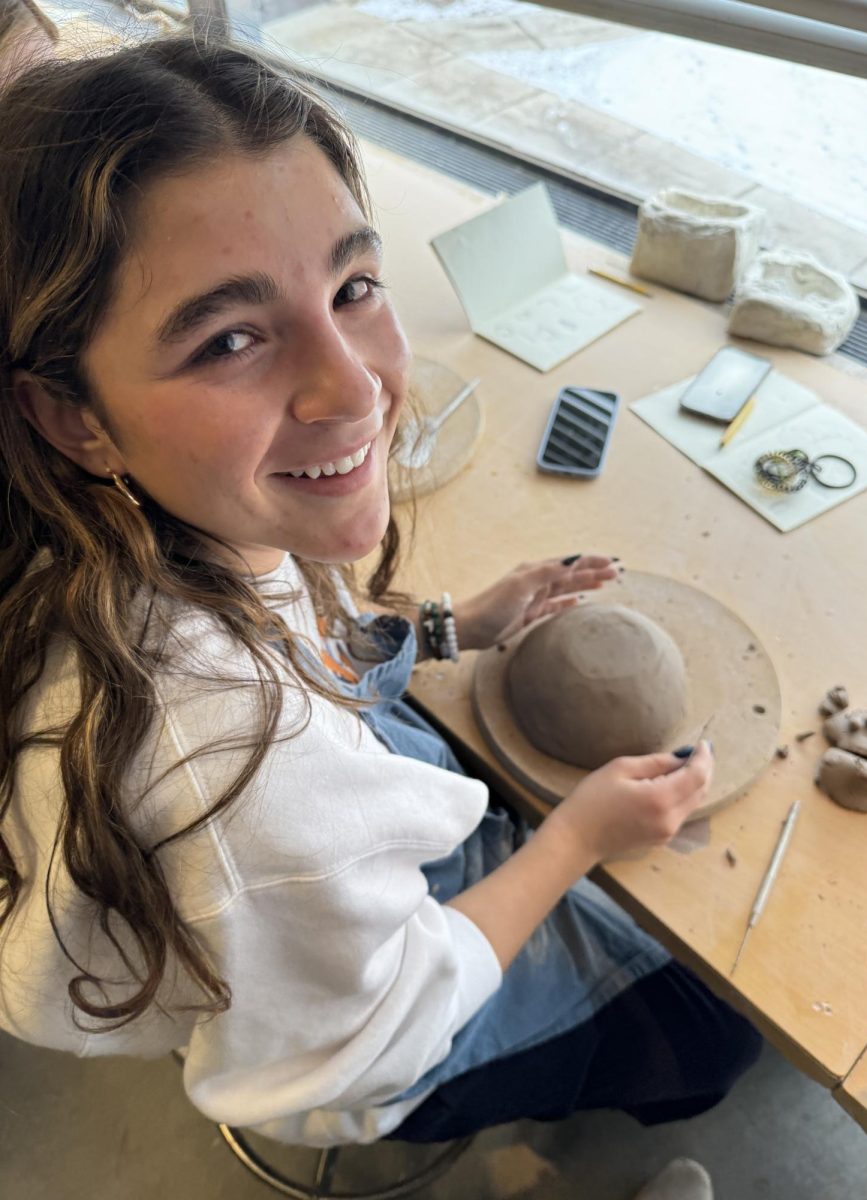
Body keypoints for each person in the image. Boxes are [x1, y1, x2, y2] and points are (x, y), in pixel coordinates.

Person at [0, 36, 761, 1161]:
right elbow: (386, 1021)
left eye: (354, 285)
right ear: (75, 417)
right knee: (718, 1038)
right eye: (231, 338)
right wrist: (576, 838)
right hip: (351, 1051)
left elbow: (299, 652)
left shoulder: (178, 522)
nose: (356, 388)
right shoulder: (241, 774)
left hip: (282, 892)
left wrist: (454, 628)